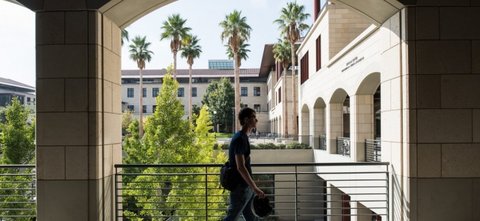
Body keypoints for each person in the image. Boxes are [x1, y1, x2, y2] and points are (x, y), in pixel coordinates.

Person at [223, 107, 265, 221]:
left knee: (251, 218)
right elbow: (240, 167)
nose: (256, 120)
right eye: (253, 117)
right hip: (241, 187)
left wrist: (252, 187)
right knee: (232, 217)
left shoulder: (242, 137)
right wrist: (255, 188)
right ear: (246, 120)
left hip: (246, 187)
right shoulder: (240, 139)